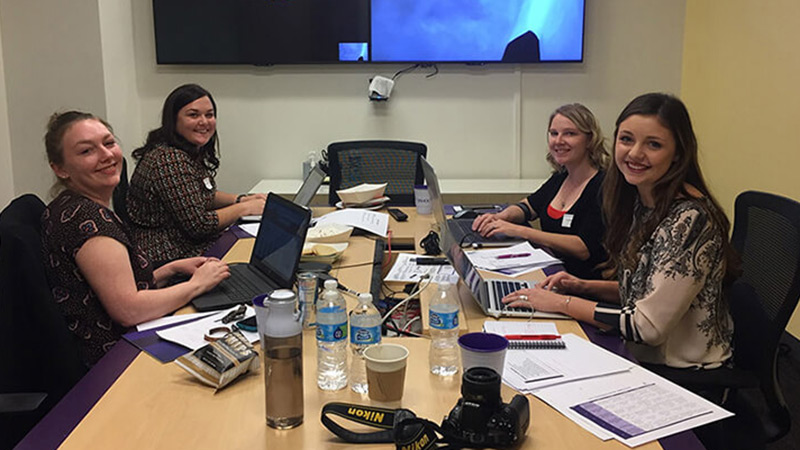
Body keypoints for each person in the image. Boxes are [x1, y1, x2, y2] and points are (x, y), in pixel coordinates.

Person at [503, 93, 737, 370]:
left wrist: (563, 302)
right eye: (626, 139)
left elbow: (647, 327)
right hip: (637, 347)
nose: (635, 153)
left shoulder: (689, 220)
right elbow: (644, 290)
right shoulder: (643, 201)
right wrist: (582, 287)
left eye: (654, 144)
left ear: (678, 153)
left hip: (676, 368)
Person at [41, 111, 231, 367]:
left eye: (109, 143)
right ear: (60, 168)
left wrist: (169, 270)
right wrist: (197, 285)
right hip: (116, 362)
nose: (107, 155)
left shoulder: (68, 205)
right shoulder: (89, 222)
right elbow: (129, 310)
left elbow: (109, 285)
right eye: (87, 151)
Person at [126, 84, 265, 262]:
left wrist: (241, 199)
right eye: (193, 115)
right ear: (173, 119)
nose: (204, 122)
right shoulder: (169, 159)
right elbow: (198, 224)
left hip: (187, 245)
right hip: (170, 256)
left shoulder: (185, 151)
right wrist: (244, 208)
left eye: (209, 115)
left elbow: (201, 195)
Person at [472, 103, 609, 279]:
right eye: (554, 133)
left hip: (579, 285)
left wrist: (520, 231)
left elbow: (583, 248)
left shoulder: (602, 186)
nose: (558, 141)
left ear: (590, 140)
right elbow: (529, 206)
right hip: (547, 273)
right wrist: (502, 217)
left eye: (570, 133)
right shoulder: (561, 177)